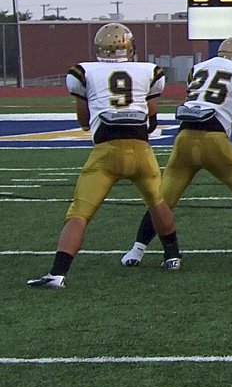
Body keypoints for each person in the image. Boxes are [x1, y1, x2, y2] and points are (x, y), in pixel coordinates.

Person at [27, 23, 180, 288]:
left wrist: (91, 123)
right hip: (140, 148)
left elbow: (84, 118)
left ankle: (58, 273)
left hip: (106, 151)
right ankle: (172, 256)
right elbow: (152, 118)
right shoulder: (149, 71)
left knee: (80, 212)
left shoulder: (83, 71)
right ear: (130, 48)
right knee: (157, 202)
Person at [119, 36, 232, 266]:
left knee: (163, 200)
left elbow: (214, 104)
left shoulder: (199, 69)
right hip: (213, 141)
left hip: (184, 138)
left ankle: (136, 251)